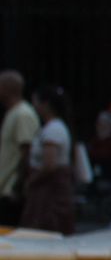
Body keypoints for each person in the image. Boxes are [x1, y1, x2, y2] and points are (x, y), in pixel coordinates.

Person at [20, 84, 75, 234]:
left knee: (47, 226)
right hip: (45, 186)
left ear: (45, 105)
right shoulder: (50, 127)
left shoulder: (54, 129)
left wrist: (32, 180)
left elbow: (49, 164)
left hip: (50, 189)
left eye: (36, 102)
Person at [0, 69, 40, 226]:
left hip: (12, 189)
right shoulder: (12, 113)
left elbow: (27, 151)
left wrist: (18, 186)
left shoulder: (23, 114)